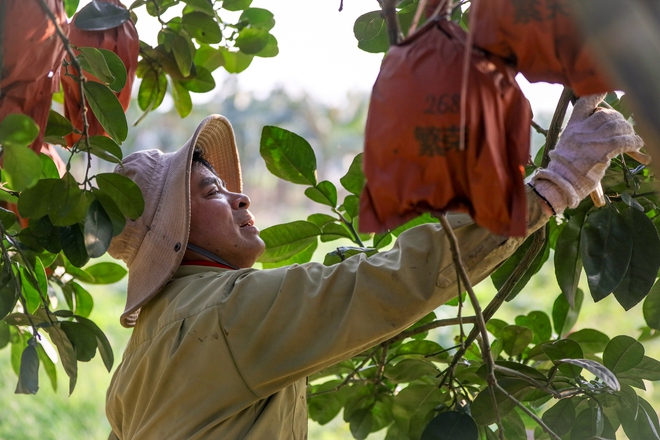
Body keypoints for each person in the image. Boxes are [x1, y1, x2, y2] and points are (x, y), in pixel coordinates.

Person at [105, 94, 643, 439]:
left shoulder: (136, 362)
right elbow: (385, 282)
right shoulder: (227, 310)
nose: (241, 199)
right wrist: (552, 187)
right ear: (175, 234)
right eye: (212, 193)